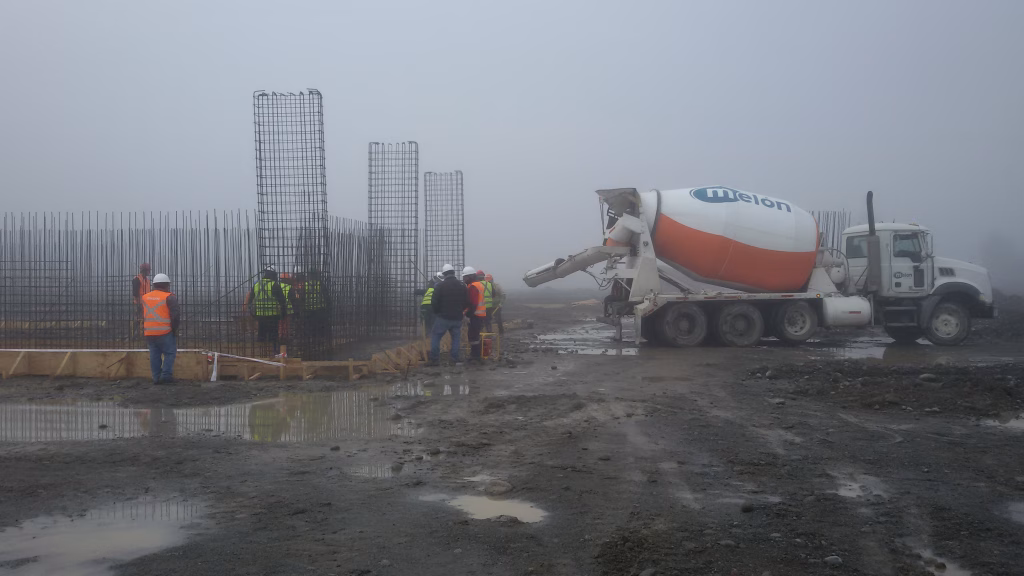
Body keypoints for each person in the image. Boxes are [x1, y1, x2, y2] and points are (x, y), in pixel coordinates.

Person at [142, 273, 180, 384]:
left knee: (154, 355)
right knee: (169, 353)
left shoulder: (145, 297)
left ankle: (156, 378)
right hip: (164, 331)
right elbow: (175, 315)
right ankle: (166, 376)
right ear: (167, 285)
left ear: (154, 285)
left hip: (149, 332)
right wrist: (174, 329)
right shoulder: (169, 297)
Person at [428, 264, 468, 366]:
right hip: (457, 317)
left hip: (443, 317)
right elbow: (466, 301)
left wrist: (437, 312)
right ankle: (454, 359)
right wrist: (460, 310)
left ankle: (434, 359)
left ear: (444, 274)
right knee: (456, 339)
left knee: (436, 336)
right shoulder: (462, 285)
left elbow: (434, 302)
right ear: (453, 273)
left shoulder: (440, 286)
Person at [245, 266, 286, 357]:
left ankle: (262, 353)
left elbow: (250, 300)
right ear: (273, 275)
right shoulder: (275, 285)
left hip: (260, 315)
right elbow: (282, 302)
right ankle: (274, 352)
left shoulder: (256, 285)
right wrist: (283, 314)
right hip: (273, 315)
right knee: (273, 335)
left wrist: (252, 313)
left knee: (262, 334)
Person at [463, 266, 488, 363]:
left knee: (473, 336)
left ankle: (476, 356)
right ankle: (477, 355)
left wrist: (468, 315)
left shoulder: (473, 286)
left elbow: (473, 303)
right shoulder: (478, 284)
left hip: (475, 315)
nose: (464, 279)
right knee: (475, 335)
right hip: (480, 315)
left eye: (465, 277)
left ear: (470, 276)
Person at [277, 273, 300, 357]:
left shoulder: (277, 286)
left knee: (280, 325)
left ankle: (280, 339)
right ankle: (285, 341)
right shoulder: (289, 288)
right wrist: (297, 311)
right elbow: (293, 300)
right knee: (286, 326)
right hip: (288, 311)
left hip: (278, 310)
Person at [131, 263, 152, 337]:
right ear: (144, 270)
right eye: (148, 270)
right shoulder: (137, 279)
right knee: (138, 319)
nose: (149, 272)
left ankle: (142, 333)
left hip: (146, 304)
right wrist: (138, 303)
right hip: (139, 303)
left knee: (144, 319)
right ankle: (134, 334)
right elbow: (135, 293)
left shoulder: (147, 280)